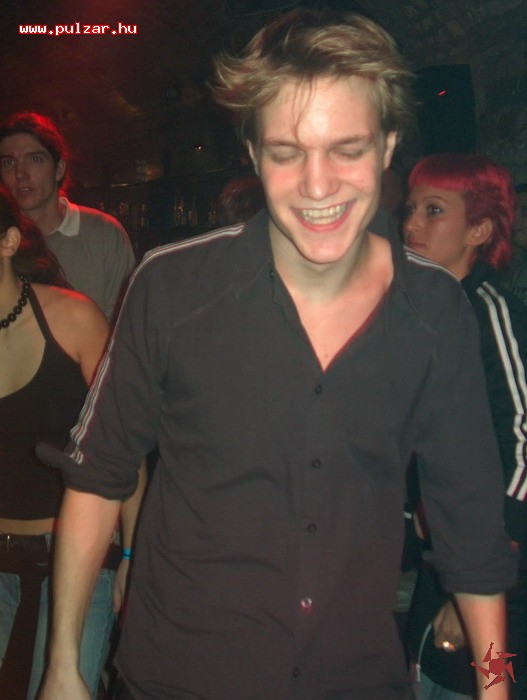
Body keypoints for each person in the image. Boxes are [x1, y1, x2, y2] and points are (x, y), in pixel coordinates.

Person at [36, 10, 515, 700]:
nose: (318, 186)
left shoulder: (435, 310)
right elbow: (97, 476)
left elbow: (471, 530)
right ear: (255, 155)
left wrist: (496, 688)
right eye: (288, 152)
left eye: (346, 149)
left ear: (387, 147)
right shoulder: (171, 287)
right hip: (179, 679)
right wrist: (62, 666)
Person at [0, 185, 145, 699]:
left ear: (8, 241)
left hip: (76, 558)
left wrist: (131, 554)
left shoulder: (75, 318)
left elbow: (127, 445)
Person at [403, 153, 527, 699]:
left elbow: (523, 449)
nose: (411, 223)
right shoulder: (415, 315)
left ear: (478, 230)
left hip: (496, 584)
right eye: (410, 209)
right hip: (439, 573)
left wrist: (474, 586)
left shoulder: (489, 313)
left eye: (433, 210)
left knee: (492, 680)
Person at [0, 112, 136, 321]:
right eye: (8, 162)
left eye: (34, 159)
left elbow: (126, 325)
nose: (20, 173)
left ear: (59, 169)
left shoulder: (104, 234)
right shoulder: (3, 243)